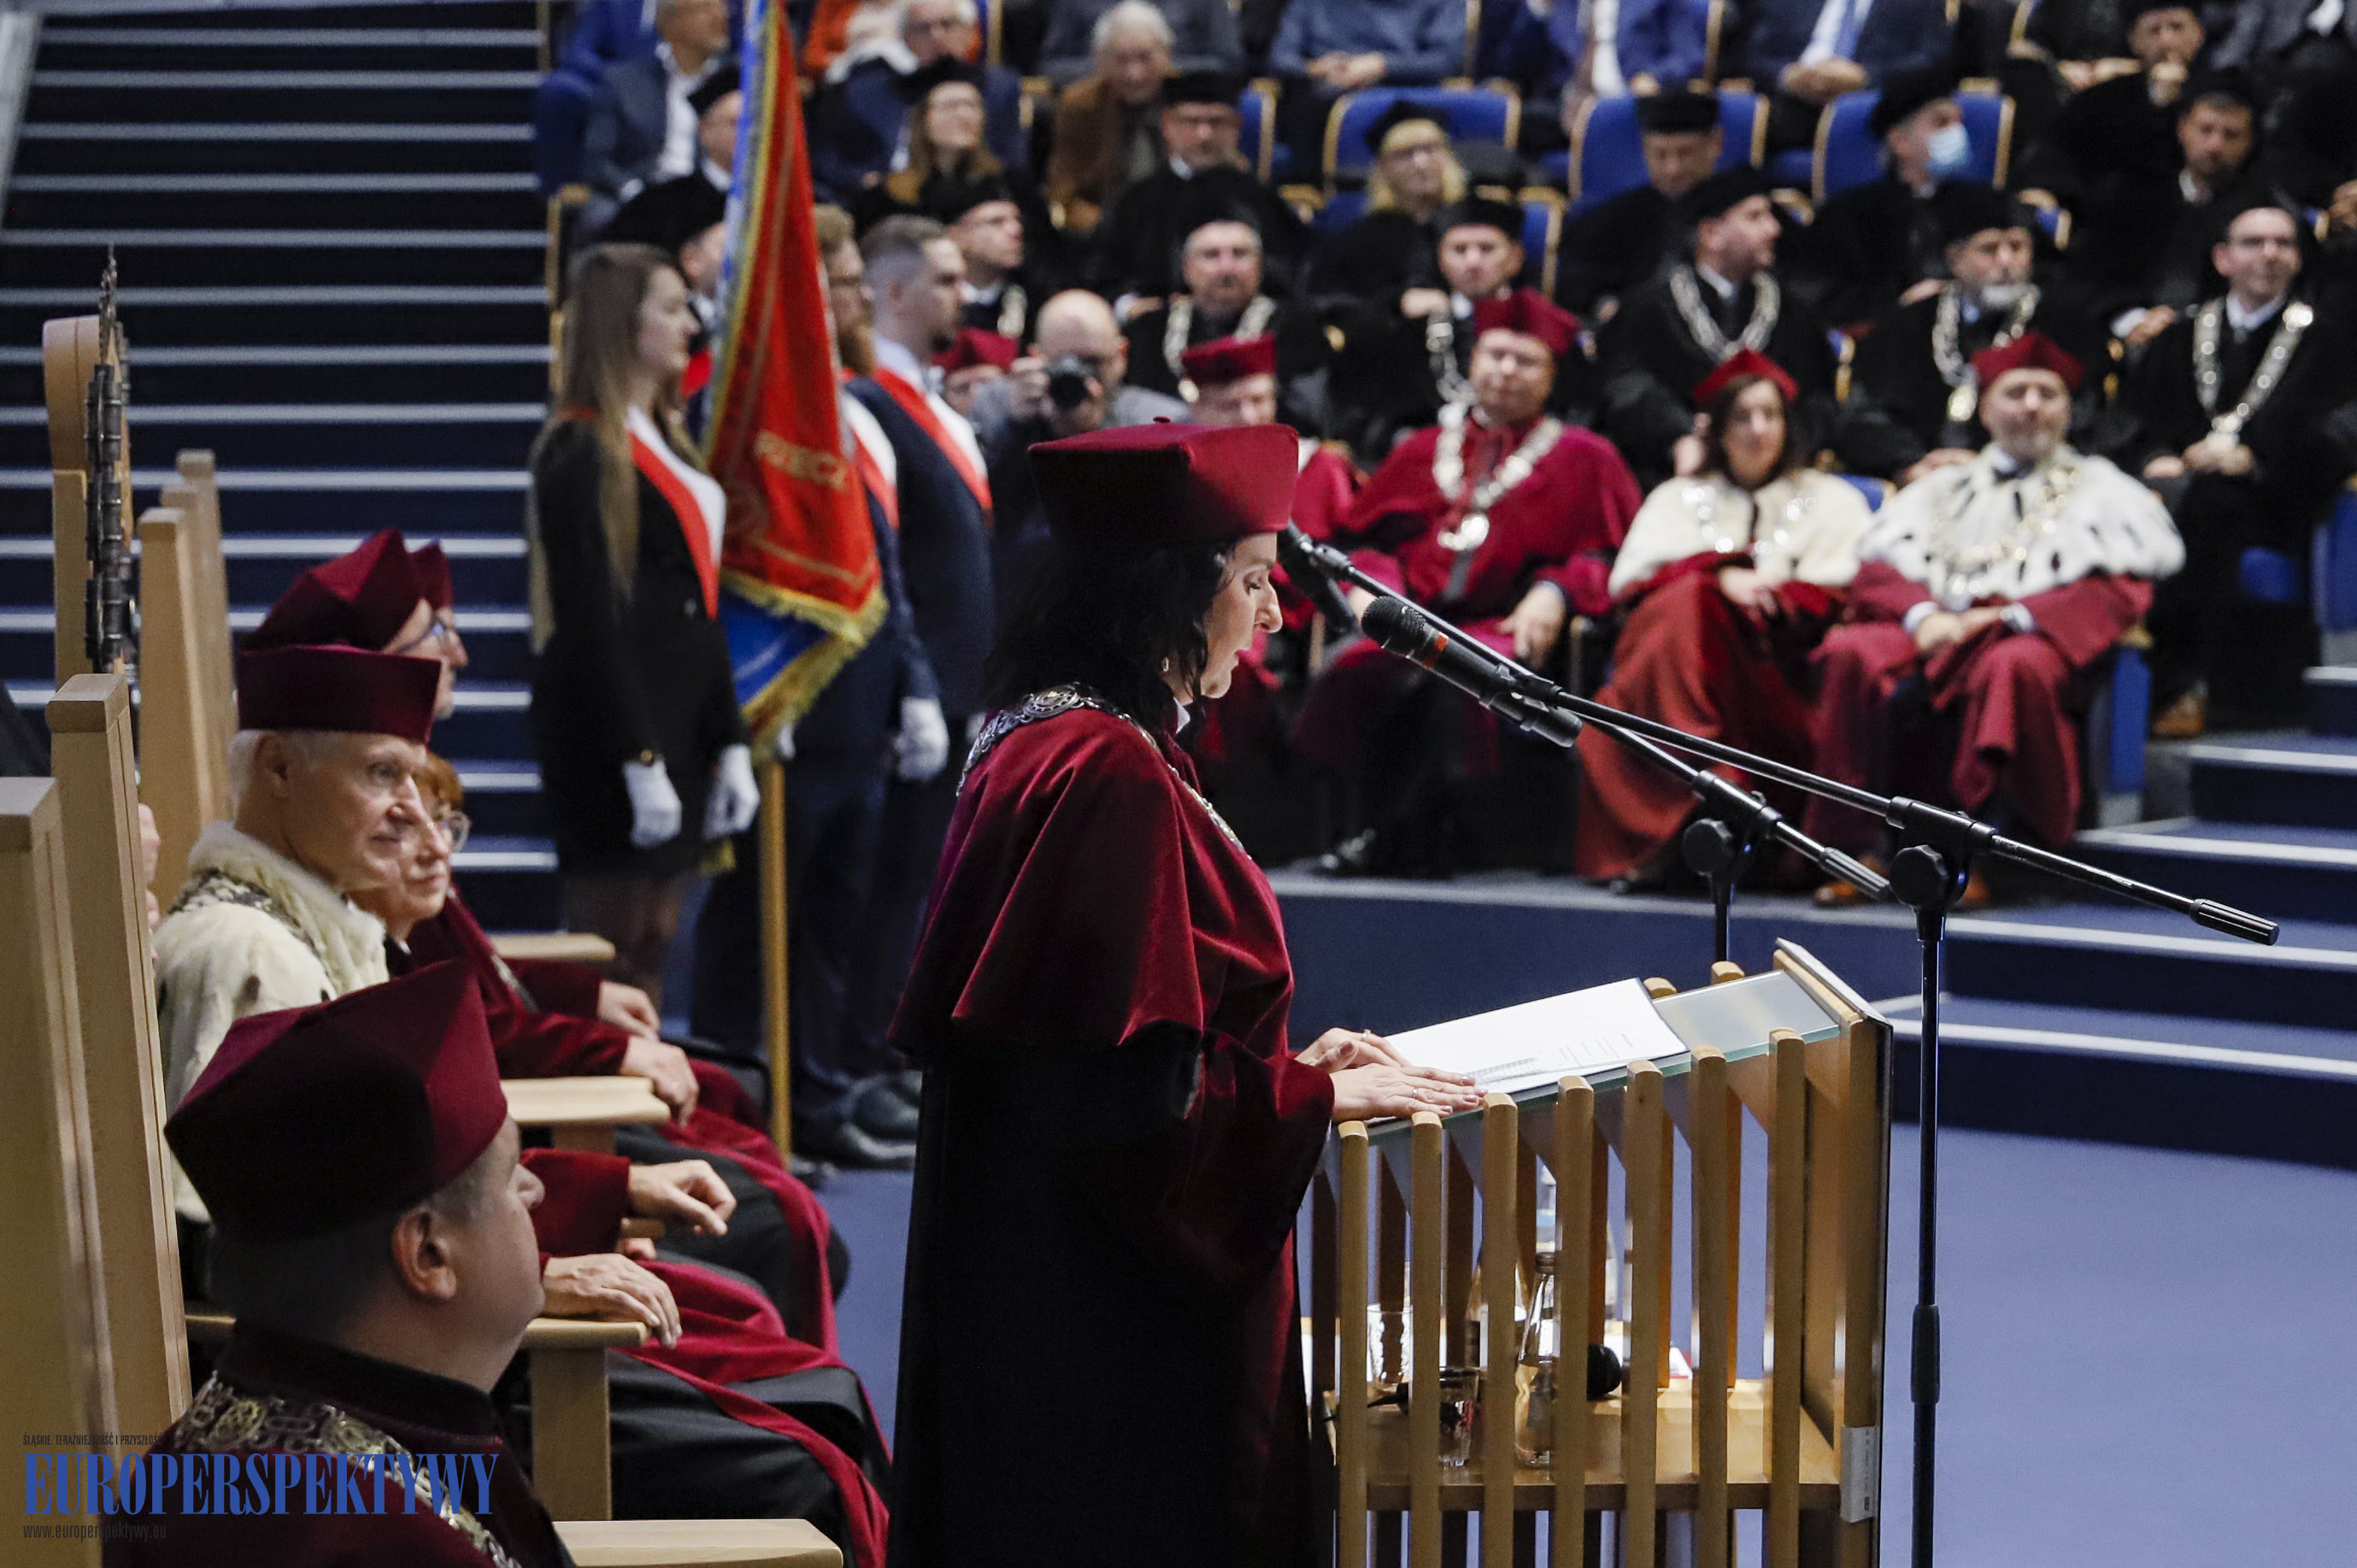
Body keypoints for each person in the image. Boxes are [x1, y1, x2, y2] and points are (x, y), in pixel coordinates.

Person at [887, 419, 1484, 1565]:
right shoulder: (1104, 769)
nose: (1272, 615)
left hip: (1035, 1268)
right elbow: (1116, 1109)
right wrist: (1303, 1102)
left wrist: (1286, 1069)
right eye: (1254, 580)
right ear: (1167, 587)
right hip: (1095, 1319)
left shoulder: (1068, 735)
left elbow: (1112, 1039)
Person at [132, 963, 890, 1568]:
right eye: (509, 1175)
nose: (535, 1188)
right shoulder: (387, 1535)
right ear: (429, 1253)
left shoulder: (215, 1441)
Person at [365, 757, 854, 1348]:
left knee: (743, 1110)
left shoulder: (392, 919)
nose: (437, 849)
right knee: (779, 1237)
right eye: (401, 830)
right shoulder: (326, 951)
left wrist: (608, 1189)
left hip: (507, 1191)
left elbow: (486, 981)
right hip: (482, 1257)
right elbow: (396, 1199)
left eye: (443, 824)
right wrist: (599, 1197)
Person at [695, 205, 943, 1172]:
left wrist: (913, 682)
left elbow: (883, 562)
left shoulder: (853, 407)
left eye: (847, 281)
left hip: (864, 703)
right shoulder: (755, 406)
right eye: (832, 283)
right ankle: (740, 1105)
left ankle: (817, 1093)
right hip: (790, 701)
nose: (845, 300)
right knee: (754, 923)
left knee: (831, 922)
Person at [1807, 333, 2184, 900]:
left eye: (2047, 393)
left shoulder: (2107, 492)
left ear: (2068, 407)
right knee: (1851, 652)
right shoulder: (1938, 485)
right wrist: (1922, 617)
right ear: (1985, 409)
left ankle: (1982, 856)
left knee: (2012, 669)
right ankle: (1858, 852)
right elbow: (1876, 570)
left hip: (2025, 636)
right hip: (1934, 628)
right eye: (2015, 393)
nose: (2031, 405)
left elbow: (2118, 591)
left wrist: (2010, 617)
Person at [1296, 293, 1643, 875]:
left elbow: (1607, 554)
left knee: (1455, 671)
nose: (1507, 371)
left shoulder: (1589, 456)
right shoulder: (1422, 447)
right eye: (1496, 355)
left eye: (1525, 361)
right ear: (1473, 360)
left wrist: (1556, 592)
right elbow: (1368, 541)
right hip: (1409, 613)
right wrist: (1368, 588)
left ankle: (1399, 839)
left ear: (1551, 375)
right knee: (1357, 666)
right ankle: (1371, 829)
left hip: (1504, 622)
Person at [526, 244, 758, 1005]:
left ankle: (645, 1105)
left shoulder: (668, 438)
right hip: (616, 729)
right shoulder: (579, 448)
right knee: (610, 945)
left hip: (682, 722)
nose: (689, 322)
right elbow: (592, 616)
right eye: (669, 306)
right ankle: (601, 1110)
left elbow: (700, 608)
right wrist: (638, 754)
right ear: (622, 323)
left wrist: (728, 741)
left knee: (657, 937)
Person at [1572, 350, 1873, 883]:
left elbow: (1845, 593)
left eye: (1770, 415)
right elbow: (1629, 587)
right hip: (1675, 675)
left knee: (1690, 598)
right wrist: (1719, 578)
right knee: (1686, 600)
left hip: (1777, 674)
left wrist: (1765, 595)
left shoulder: (1833, 499)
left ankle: (1707, 774)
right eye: (1742, 417)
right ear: (1718, 430)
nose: (1757, 431)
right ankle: (1708, 773)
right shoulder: (1676, 497)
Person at [829, 214, 987, 1169]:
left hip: (954, 678)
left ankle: (877, 1052)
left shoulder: (925, 400)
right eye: (944, 276)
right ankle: (851, 1060)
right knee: (882, 885)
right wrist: (915, 684)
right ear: (892, 293)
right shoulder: (870, 400)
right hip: (908, 681)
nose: (960, 292)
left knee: (913, 887)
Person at [2124, 198, 2357, 732]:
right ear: (2224, 258)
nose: (2269, 255)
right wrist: (2154, 455)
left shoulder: (2329, 341)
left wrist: (2256, 457)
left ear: (2299, 261)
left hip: (2274, 500)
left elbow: (2343, 429)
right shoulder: (2179, 335)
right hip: (2173, 488)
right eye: (2254, 243)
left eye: (2283, 244)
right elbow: (2131, 417)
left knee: (2216, 506)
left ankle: (2183, 682)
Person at [1178, 333, 1363, 786]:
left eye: (1259, 400)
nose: (1249, 417)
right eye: (1229, 405)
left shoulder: (1318, 467)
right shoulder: (1180, 469)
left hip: (1288, 620)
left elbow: (1354, 547)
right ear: (1198, 408)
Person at [1834, 183, 2112, 483]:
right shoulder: (1908, 324)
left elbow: (2087, 415)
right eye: (1989, 249)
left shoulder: (2067, 323)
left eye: (2017, 247)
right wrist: (1915, 463)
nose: (2006, 262)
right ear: (1955, 259)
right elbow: (1866, 416)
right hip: (1927, 482)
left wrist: (2002, 461)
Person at [1596, 166, 1837, 488]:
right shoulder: (1649, 308)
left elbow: (1818, 398)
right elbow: (1627, 390)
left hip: (1779, 475)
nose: (1773, 229)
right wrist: (1679, 433)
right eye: (1755, 218)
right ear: (1712, 234)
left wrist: (1780, 443)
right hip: (1673, 475)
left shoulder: (1793, 311)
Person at [975, 288, 1194, 602]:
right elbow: (975, 511)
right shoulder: (997, 406)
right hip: (1016, 598)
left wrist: (1096, 433)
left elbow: (1164, 529)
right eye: (1061, 362)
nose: (1076, 374)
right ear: (1036, 358)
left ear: (1122, 356)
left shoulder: (1160, 422)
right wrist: (1015, 428)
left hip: (1122, 602)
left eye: (1093, 362)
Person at [1327, 196, 1559, 463]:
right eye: (1459, 250)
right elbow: (1371, 422)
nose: (1473, 262)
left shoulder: (1547, 330)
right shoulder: (1410, 332)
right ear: (1441, 260)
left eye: (1487, 249)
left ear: (1515, 258)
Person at [2067, 69, 2267, 343]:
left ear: (2249, 142)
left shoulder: (2262, 211)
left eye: (2231, 135)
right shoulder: (2129, 195)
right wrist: (2131, 321)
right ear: (2182, 128)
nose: (2215, 145)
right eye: (2206, 130)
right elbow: (2087, 279)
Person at [1085, 70, 1308, 305]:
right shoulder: (1136, 200)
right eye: (1191, 122)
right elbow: (1101, 276)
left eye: (1216, 122)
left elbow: (1293, 276)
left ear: (1236, 127)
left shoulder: (1262, 200)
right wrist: (1129, 307)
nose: (1204, 135)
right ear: (1167, 125)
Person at [1786, 64, 1970, 327]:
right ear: (1899, 141)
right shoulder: (1849, 215)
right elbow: (1818, 297)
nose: (1956, 133)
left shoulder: (1984, 205)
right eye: (1941, 122)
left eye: (1958, 122)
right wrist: (1902, 305)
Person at [808, 0, 1028, 206]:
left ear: (969, 32)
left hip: (976, 198)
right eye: (924, 28)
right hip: (887, 203)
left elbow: (1012, 161)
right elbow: (829, 162)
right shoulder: (863, 90)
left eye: (948, 24)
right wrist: (865, 182)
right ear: (904, 35)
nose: (937, 36)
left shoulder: (999, 88)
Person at [1122, 217, 1329, 419]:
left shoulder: (1296, 329)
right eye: (1211, 255)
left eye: (1239, 254)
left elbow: (1307, 412)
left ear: (1260, 264)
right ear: (1187, 266)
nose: (1226, 268)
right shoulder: (1147, 329)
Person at [1551, 87, 1722, 318]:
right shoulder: (1609, 220)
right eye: (1660, 154)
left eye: (1685, 153)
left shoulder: (1747, 214)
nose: (1673, 169)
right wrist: (1604, 307)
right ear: (1644, 150)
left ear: (1715, 144)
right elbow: (1575, 288)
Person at [2015, 2, 2207, 207]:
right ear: (2134, 41)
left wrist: (2166, 108)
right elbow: (2054, 155)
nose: (2166, 41)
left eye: (2177, 28)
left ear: (2198, 34)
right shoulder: (2101, 100)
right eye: (2154, 31)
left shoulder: (2220, 96)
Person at [580, 0, 733, 232]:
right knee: (601, 216)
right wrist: (633, 192)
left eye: (721, 9)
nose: (719, 19)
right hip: (641, 194)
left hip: (715, 194)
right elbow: (596, 157)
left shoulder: (737, 82)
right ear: (669, 25)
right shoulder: (623, 82)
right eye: (704, 10)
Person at [1304, 102, 1465, 320]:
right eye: (1404, 154)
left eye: (1430, 148)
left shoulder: (1475, 225)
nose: (1420, 163)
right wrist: (1395, 303)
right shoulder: (1355, 240)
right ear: (1383, 167)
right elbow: (1323, 305)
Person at [1268, 0, 1466, 170]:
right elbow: (1280, 58)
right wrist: (1313, 68)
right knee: (1304, 105)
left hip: (1404, 89)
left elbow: (1446, 59)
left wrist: (1382, 65)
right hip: (1323, 91)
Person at [1739, 0, 1954, 152]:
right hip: (1793, 99)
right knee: (1735, 117)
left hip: (1872, 104)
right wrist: (1788, 76)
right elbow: (1753, 54)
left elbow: (1933, 60)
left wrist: (1866, 77)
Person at [1041, 0, 1173, 236]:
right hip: (1103, 232)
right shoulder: (1080, 106)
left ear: (1167, 54)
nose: (1134, 75)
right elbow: (1065, 190)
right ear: (1099, 60)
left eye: (1145, 57)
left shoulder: (1191, 103)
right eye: (1121, 60)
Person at [938, 174, 1042, 343]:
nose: (1015, 231)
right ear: (956, 236)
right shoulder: (934, 302)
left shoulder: (1035, 301)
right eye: (996, 222)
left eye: (1017, 220)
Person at [1037, 0, 1241, 85]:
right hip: (1099, 104)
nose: (1135, 75)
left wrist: (1161, 69)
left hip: (1178, 99)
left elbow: (1228, 62)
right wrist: (1112, 70)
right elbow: (1052, 66)